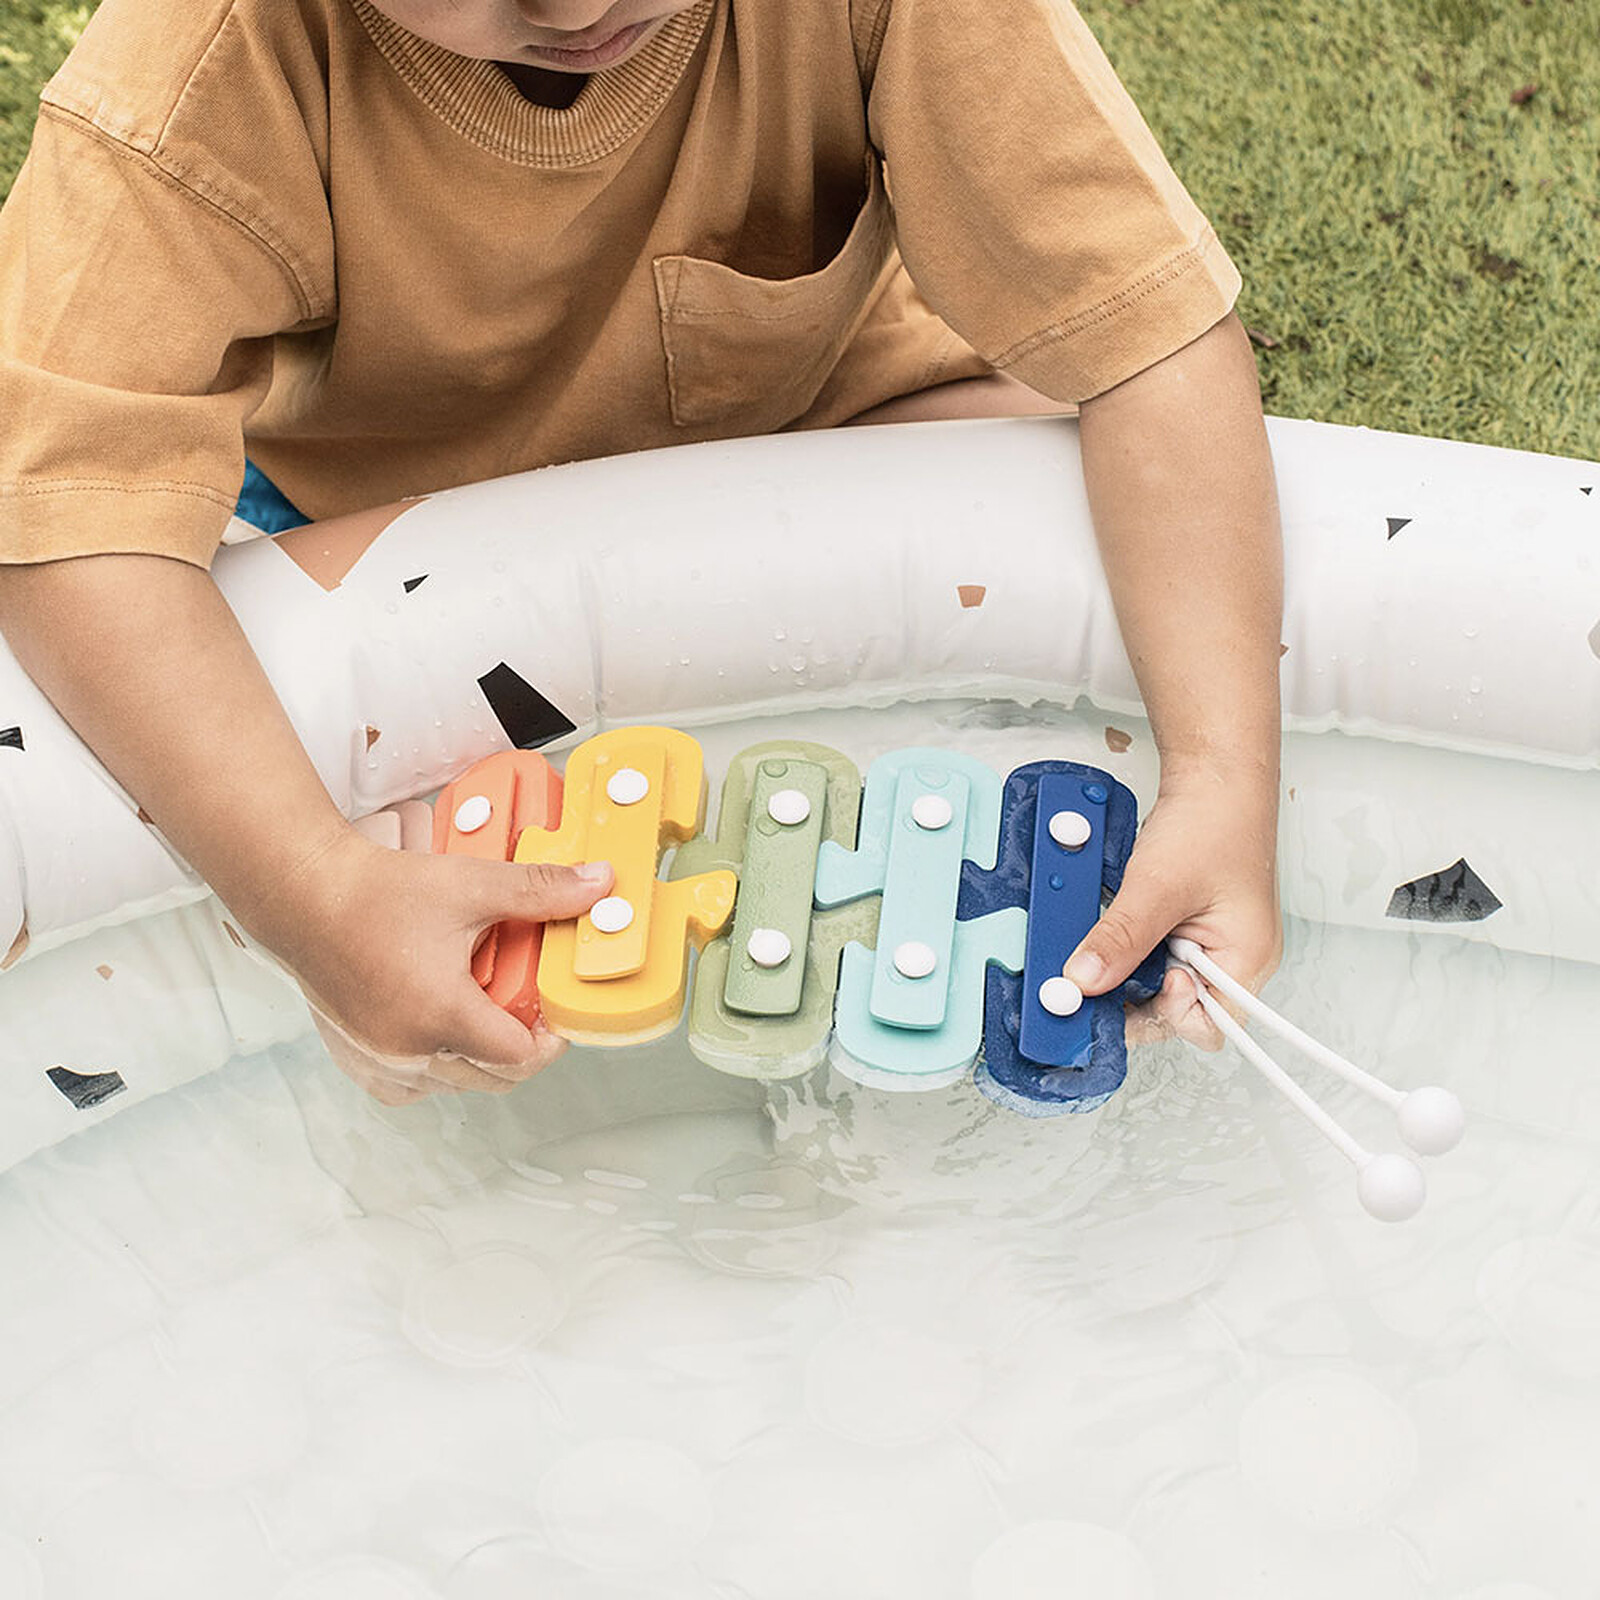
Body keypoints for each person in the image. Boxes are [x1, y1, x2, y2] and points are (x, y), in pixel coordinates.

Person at [0, 0, 1282, 1103]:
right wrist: (313, 894)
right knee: (357, 951)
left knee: (1048, 582)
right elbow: (64, 520)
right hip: (391, 504)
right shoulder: (196, 77)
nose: (574, 3)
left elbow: (1146, 336)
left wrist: (1222, 771)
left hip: (842, 415)